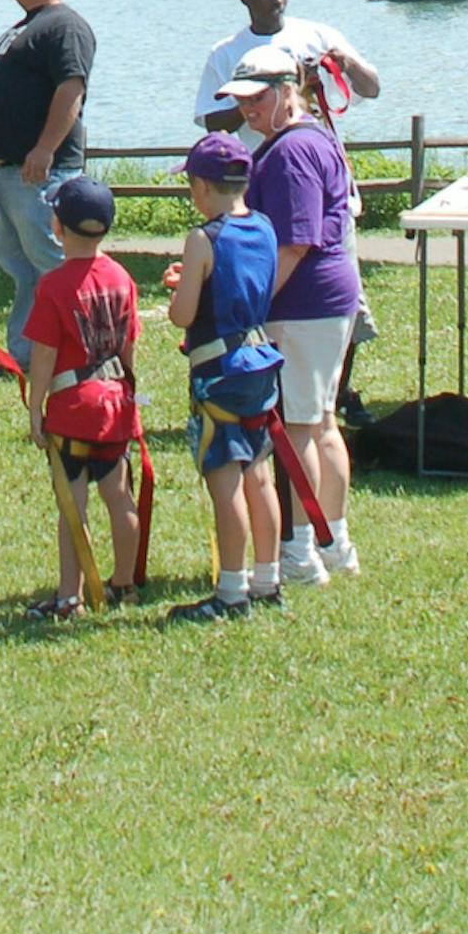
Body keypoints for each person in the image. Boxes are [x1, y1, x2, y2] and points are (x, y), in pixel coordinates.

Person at [222, 42, 361, 585]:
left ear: (286, 93)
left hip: (304, 302)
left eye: (257, 100)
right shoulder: (311, 140)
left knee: (301, 427)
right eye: (242, 102)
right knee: (321, 422)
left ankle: (303, 549)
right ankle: (334, 540)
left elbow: (294, 242)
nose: (247, 112)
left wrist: (253, 302)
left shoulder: (291, 152)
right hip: (325, 301)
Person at [165, 134, 284, 621]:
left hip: (220, 370)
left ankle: (231, 591)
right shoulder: (264, 227)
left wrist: (180, 284)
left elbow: (182, 314)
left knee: (225, 479)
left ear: (203, 186)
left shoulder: (202, 238)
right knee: (260, 473)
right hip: (260, 361)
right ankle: (268, 577)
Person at [0, 0, 95, 358]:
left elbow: (70, 88)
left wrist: (44, 149)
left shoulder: (65, 26)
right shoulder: (23, 28)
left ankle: (80, 346)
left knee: (54, 263)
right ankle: (26, 353)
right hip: (9, 173)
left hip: (42, 173)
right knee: (22, 269)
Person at [22, 177, 142, 616]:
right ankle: (125, 583)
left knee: (73, 506)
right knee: (119, 495)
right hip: (116, 402)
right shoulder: (122, 278)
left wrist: (35, 407)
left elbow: (44, 355)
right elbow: (128, 345)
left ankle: (69, 595)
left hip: (73, 407)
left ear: (58, 226)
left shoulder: (53, 287)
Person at [193, 0, 381, 135]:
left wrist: (347, 64)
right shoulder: (225, 53)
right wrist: (263, 95)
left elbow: (372, 90)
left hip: (321, 158)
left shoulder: (320, 37)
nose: (278, 1)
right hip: (266, 163)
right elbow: (214, 125)